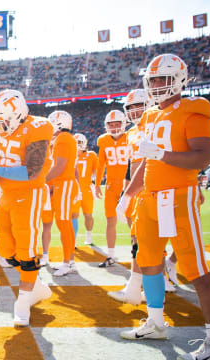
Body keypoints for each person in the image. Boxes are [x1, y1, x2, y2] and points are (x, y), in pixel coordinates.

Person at [120, 54, 210, 360]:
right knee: (149, 261)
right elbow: (147, 160)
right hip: (150, 198)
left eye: (162, 79)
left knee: (195, 270)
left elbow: (201, 158)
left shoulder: (193, 110)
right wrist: (129, 194)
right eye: (152, 80)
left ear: (180, 79)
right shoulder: (151, 116)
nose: (156, 86)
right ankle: (156, 321)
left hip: (177, 198)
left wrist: (162, 153)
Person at [0, 89, 52, 326]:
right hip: (6, 195)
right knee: (4, 248)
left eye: (7, 118)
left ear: (19, 113)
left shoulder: (38, 127)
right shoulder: (1, 129)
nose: (3, 124)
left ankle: (22, 304)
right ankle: (38, 287)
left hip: (29, 194)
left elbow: (32, 172)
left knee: (26, 249)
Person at [109, 89, 153, 304]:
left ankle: (164, 275)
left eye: (139, 106)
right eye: (131, 107)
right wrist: (126, 195)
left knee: (160, 243)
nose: (135, 111)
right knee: (139, 241)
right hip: (138, 192)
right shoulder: (134, 132)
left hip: (156, 191)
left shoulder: (154, 125)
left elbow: (149, 164)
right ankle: (135, 287)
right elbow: (131, 167)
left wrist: (127, 195)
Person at [45, 110, 79, 276]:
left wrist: (42, 181)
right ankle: (69, 260)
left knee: (64, 223)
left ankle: (68, 261)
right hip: (63, 184)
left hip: (64, 184)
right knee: (64, 224)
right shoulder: (64, 139)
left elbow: (59, 167)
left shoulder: (63, 139)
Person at [95, 109, 129, 267]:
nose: (114, 127)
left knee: (132, 220)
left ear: (123, 124)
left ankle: (140, 252)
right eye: (111, 124)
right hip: (110, 185)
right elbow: (101, 163)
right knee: (111, 221)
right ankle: (111, 255)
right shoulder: (103, 140)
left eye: (117, 124)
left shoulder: (131, 137)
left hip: (128, 184)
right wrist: (97, 185)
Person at [74, 133, 97, 246]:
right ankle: (73, 239)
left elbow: (97, 171)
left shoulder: (91, 155)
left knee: (88, 214)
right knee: (73, 216)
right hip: (73, 190)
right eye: (76, 143)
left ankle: (89, 236)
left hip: (87, 190)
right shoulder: (69, 156)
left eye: (79, 143)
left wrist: (95, 183)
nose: (77, 146)